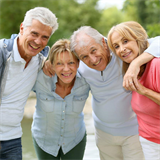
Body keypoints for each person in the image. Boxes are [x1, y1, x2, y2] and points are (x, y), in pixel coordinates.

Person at [68, 26, 160, 160]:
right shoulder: (81, 67)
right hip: (103, 134)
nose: (93, 60)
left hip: (133, 133)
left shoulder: (122, 53)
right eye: (84, 57)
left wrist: (135, 63)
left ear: (104, 43)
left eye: (94, 50)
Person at [0, 7, 58, 160]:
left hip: (12, 140)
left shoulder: (40, 60)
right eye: (34, 33)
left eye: (45, 37)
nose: (38, 41)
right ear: (22, 28)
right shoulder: (2, 53)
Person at [107, 21, 160, 160]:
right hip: (149, 142)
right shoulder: (129, 70)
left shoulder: (156, 65)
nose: (122, 49)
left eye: (125, 41)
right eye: (116, 46)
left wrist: (145, 91)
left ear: (138, 39)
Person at [31, 39, 90, 160]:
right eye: (59, 63)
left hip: (74, 140)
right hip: (44, 141)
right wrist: (43, 62)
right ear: (51, 64)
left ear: (78, 63)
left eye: (71, 63)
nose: (66, 69)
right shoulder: (39, 77)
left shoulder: (86, 80)